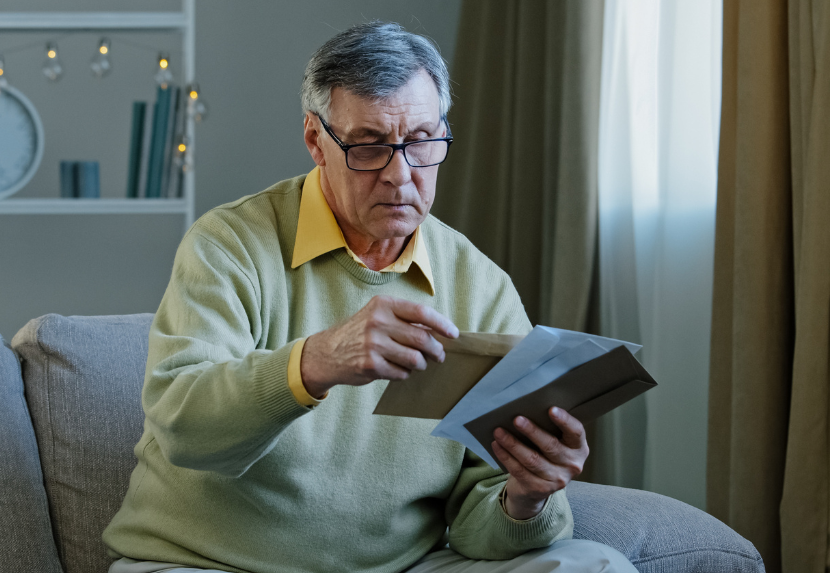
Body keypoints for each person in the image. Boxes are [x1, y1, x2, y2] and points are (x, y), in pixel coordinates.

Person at [103, 22, 638, 573]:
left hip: (401, 567)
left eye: (422, 141)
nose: (400, 175)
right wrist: (317, 361)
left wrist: (525, 497)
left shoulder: (480, 285)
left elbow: (480, 530)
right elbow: (183, 430)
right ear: (316, 140)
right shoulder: (229, 244)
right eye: (369, 146)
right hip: (209, 564)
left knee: (594, 565)